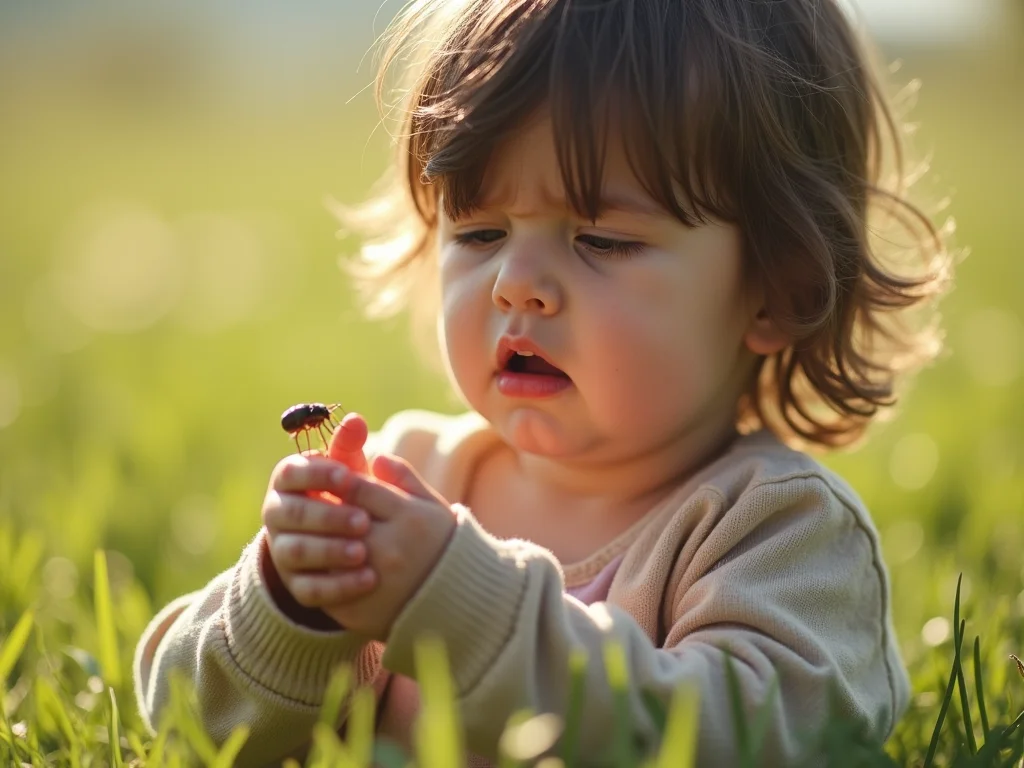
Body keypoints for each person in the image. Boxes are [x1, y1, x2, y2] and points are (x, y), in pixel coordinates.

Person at [134, 0, 953, 764]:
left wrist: (468, 605)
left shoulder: (776, 532)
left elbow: (754, 737)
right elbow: (181, 726)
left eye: (601, 239)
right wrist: (292, 605)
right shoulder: (410, 472)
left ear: (780, 286)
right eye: (481, 231)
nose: (516, 284)